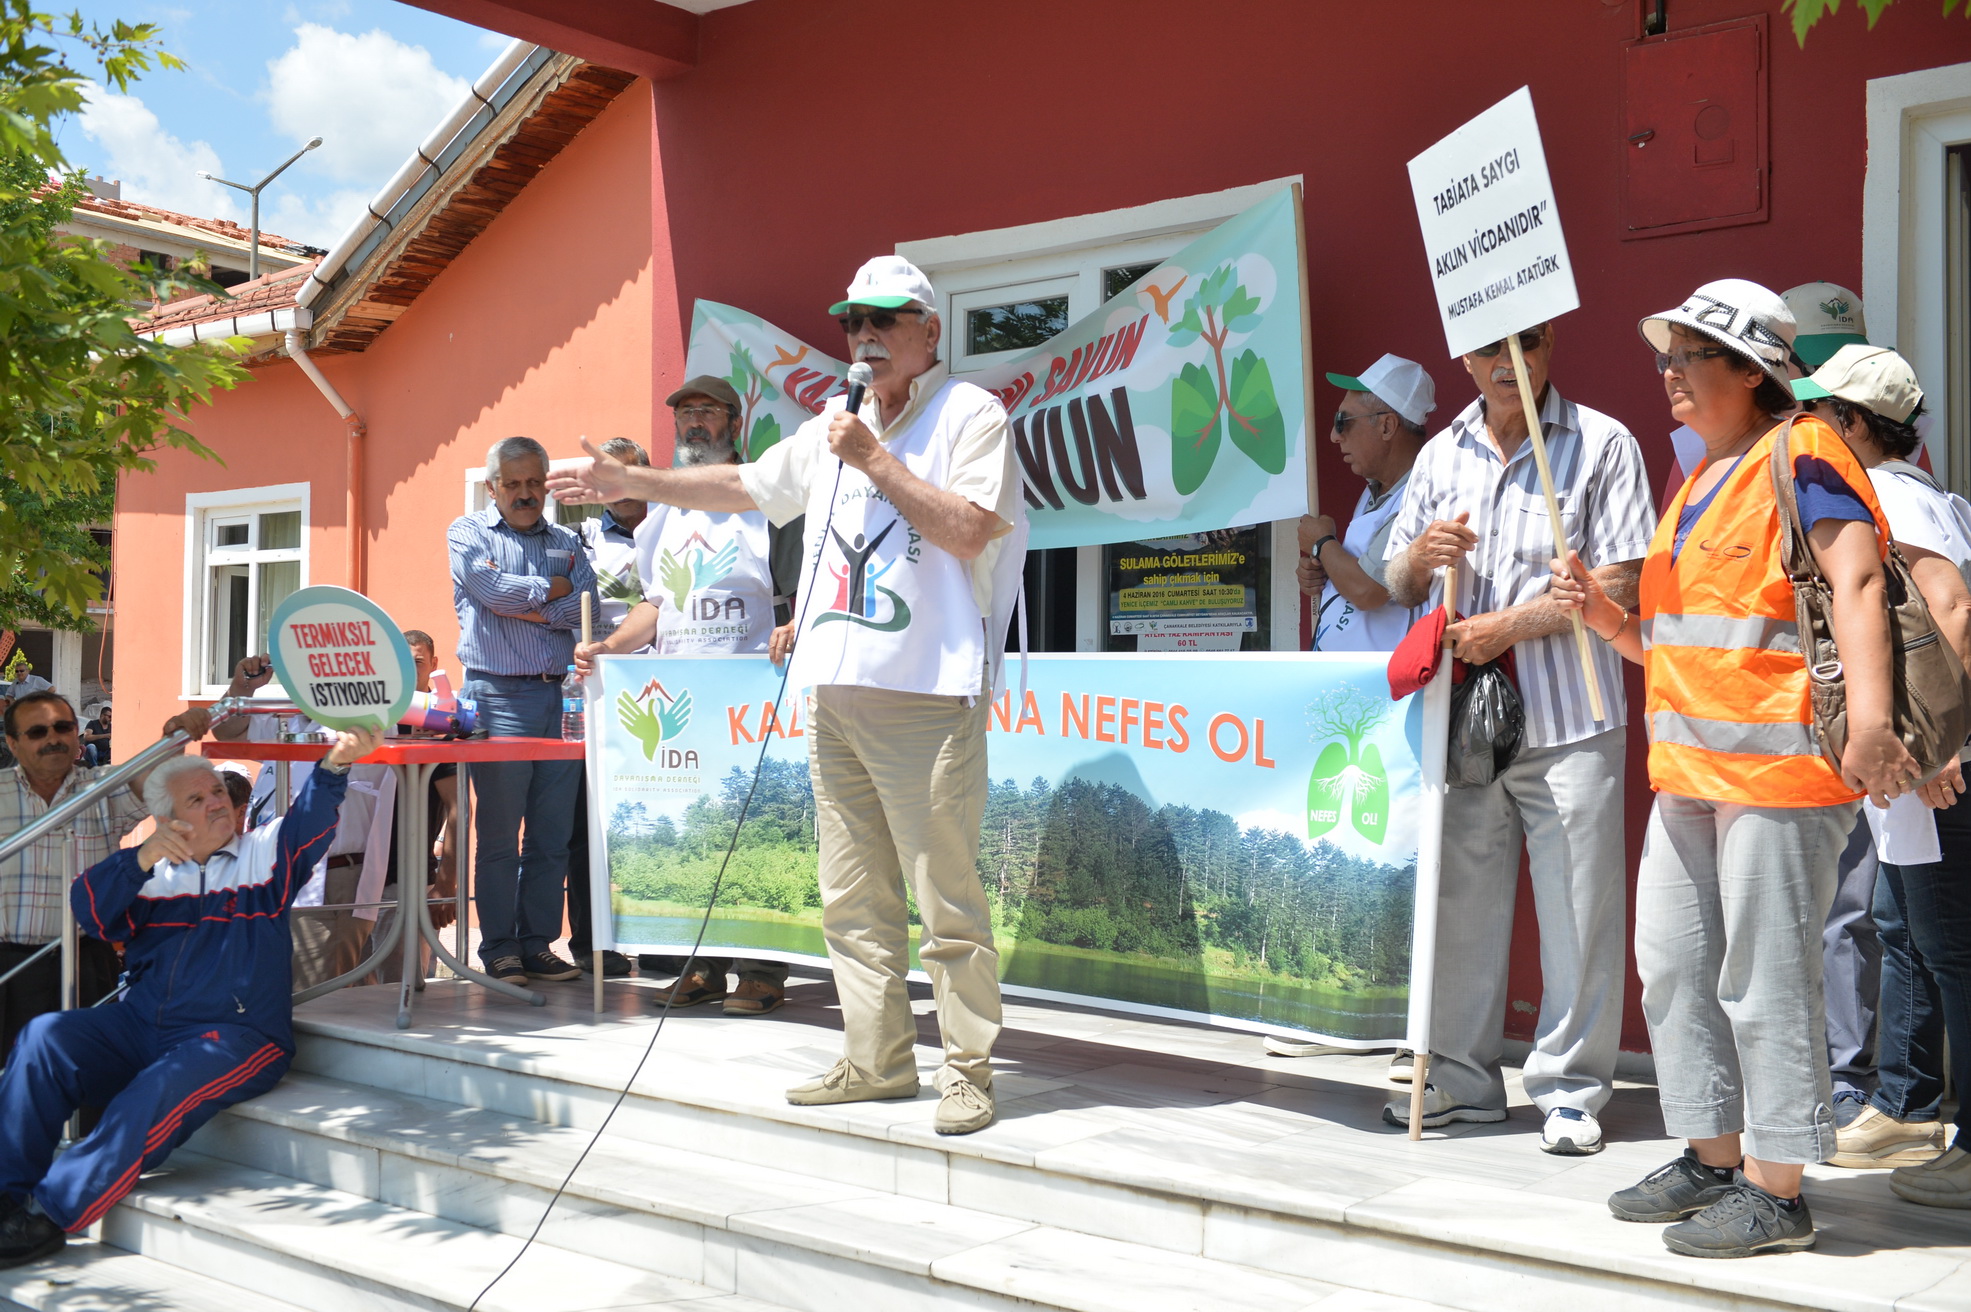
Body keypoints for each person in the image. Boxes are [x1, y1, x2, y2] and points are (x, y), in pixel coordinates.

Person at [551, 255, 1025, 1134]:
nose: (865, 337)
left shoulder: (969, 414)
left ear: (929, 331)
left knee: (945, 898)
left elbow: (967, 530)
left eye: (885, 321)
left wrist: (874, 459)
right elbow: (746, 485)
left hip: (926, 690)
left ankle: (967, 1071)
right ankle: (877, 1060)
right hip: (831, 691)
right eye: (852, 323)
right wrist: (637, 484)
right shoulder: (834, 423)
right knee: (850, 897)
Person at [1552, 278, 1919, 1257]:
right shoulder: (1702, 477)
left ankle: (1777, 1185)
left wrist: (1874, 723)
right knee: (1673, 966)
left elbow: (1857, 575)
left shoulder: (1802, 449)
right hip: (1693, 777)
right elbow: (1680, 641)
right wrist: (1605, 617)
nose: (1668, 372)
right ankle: (1713, 1156)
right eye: (1665, 355)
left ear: (1750, 370)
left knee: (1767, 978)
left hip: (1782, 775)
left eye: (1688, 356)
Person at [1378, 319, 1654, 1156]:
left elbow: (1623, 581)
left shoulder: (1603, 442)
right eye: (1491, 349)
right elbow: (1395, 581)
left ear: (1549, 351)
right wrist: (1422, 556)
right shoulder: (1439, 455)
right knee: (1457, 907)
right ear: (1463, 357)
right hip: (1462, 721)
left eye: (1527, 344)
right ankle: (1459, 1081)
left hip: (1571, 718)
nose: (1510, 363)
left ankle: (1570, 1091)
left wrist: (1509, 624)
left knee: (1580, 909)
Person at [0, 723, 380, 1269]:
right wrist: (139, 859)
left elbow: (310, 822)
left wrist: (337, 764)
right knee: (44, 1037)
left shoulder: (264, 854)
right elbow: (89, 910)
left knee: (154, 1089)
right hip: (141, 1026)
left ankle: (48, 1213)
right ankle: (5, 1196)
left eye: (219, 793)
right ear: (168, 819)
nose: (216, 805)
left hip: (235, 1034)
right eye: (197, 800)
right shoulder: (147, 875)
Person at [1792, 346, 1971, 1188]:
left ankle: (1951, 1135)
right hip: (1915, 763)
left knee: (1946, 945)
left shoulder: (1893, 496)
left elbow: (1952, 612)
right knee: (1906, 932)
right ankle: (1904, 1110)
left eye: (1821, 412)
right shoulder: (1904, 493)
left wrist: (1941, 746)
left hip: (1934, 764)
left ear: (1854, 424)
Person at [574, 383, 802, 1013]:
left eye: (707, 413)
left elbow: (802, 583)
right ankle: (702, 966)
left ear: (736, 422)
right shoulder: (663, 513)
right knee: (691, 833)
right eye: (684, 414)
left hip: (749, 694)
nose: (694, 424)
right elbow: (656, 603)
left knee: (755, 832)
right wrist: (611, 647)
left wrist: (797, 622)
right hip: (680, 702)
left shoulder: (765, 497)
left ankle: (762, 971)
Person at [1775, 281, 1888, 1126]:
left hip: (1847, 714)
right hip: (1768, 717)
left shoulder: (1883, 472)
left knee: (1853, 906)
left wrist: (1878, 722)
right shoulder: (1720, 449)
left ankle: (1845, 1078)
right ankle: (1803, 1076)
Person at [449, 436, 599, 986]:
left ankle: (538, 943)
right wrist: (547, 597)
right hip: (496, 698)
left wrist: (528, 601)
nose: (525, 493)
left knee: (552, 833)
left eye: (534, 482)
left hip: (561, 697)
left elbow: (586, 607)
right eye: (512, 484)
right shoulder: (466, 532)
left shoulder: (567, 539)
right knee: (498, 834)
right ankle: (498, 948)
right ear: (492, 487)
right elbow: (491, 592)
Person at [0, 691, 210, 1061]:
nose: (52, 739)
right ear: (13, 744)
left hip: (87, 964)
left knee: (85, 1079)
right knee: (11, 1085)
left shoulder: (101, 788)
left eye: (62, 727)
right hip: (10, 969)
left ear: (76, 733)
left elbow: (156, 785)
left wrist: (173, 737)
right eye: (37, 732)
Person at [209, 656, 391, 993]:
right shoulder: (290, 721)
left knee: (315, 1000)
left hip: (327, 884)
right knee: (276, 992)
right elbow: (224, 729)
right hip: (272, 879)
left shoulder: (364, 728)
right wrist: (244, 687)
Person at [566, 439, 651, 982]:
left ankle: (660, 940)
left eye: (624, 471)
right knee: (587, 822)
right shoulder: (582, 537)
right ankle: (591, 941)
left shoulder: (676, 520)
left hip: (663, 692)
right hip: (596, 690)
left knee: (654, 819)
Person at [1297, 354, 1435, 654]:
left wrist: (1322, 543)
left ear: (1386, 427)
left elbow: (1368, 590)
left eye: (1343, 421)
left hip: (1384, 689)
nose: (1335, 436)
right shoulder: (1375, 490)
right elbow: (1354, 576)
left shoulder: (1421, 495)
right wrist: (1324, 570)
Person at [79, 704, 110, 768]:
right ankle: (95, 767)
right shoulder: (92, 723)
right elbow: (87, 737)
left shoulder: (111, 726)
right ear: (102, 715)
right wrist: (105, 736)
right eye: (109, 716)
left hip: (105, 753)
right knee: (91, 747)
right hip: (92, 753)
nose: (110, 719)